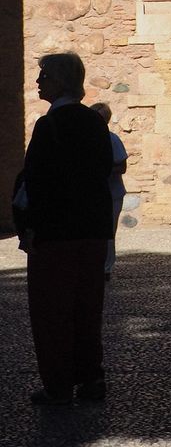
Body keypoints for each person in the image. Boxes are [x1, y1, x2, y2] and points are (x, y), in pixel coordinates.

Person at [18, 52, 113, 405]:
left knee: (52, 312)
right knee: (87, 307)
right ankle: (91, 378)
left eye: (44, 76)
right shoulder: (94, 123)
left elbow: (36, 182)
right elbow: (103, 169)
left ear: (58, 81)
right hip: (92, 230)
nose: (39, 82)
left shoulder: (49, 125)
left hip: (56, 233)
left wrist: (29, 228)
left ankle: (58, 384)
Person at [90, 103, 128, 281]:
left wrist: (102, 169)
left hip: (111, 193)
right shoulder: (85, 140)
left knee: (108, 232)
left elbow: (122, 166)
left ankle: (106, 267)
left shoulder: (112, 140)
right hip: (94, 193)